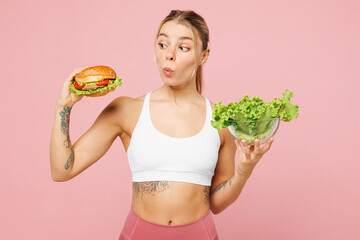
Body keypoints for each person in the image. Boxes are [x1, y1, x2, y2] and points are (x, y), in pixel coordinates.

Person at [50, 10, 274, 240]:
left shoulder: (221, 120)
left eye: (183, 47)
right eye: (162, 44)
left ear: (204, 55)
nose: (169, 55)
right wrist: (63, 107)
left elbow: (216, 203)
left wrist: (244, 172)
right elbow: (62, 171)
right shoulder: (126, 110)